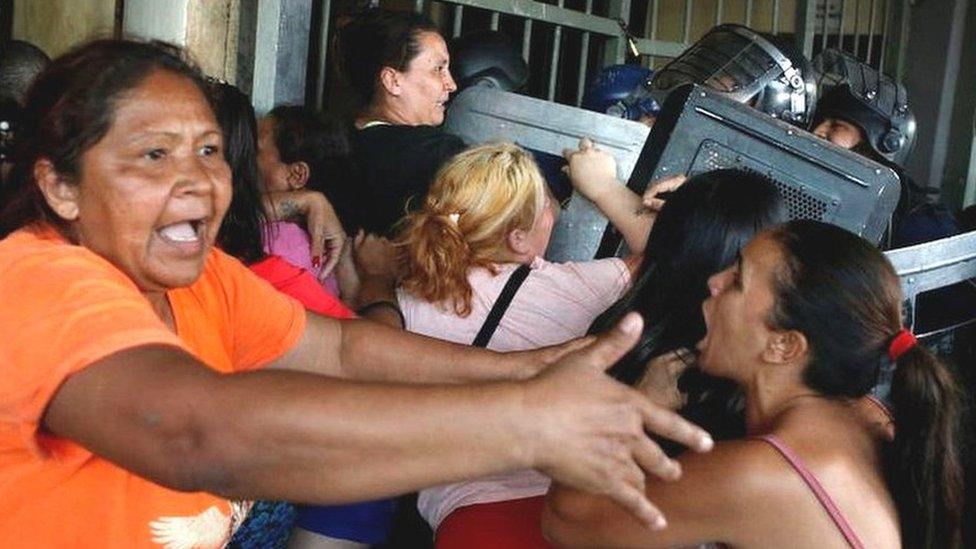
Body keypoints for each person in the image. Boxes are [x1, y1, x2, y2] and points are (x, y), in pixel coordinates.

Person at [0, 38, 713, 548]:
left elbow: (339, 346)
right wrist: (526, 421)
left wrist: (533, 366)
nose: (198, 180)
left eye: (210, 150)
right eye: (154, 154)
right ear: (60, 186)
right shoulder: (39, 280)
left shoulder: (204, 277)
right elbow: (195, 432)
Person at [544, 220, 964, 548]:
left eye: (738, 280)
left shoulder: (759, 475)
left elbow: (566, 520)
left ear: (783, 345)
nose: (715, 281)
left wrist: (637, 405)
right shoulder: (869, 418)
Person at [391, 141, 686, 548]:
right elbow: (673, 254)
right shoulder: (567, 288)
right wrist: (600, 185)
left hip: (462, 523)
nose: (554, 216)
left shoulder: (405, 296)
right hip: (551, 508)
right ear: (517, 238)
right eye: (548, 206)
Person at [338, 8, 466, 235]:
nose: (451, 84)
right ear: (392, 81)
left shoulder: (331, 144)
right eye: (438, 69)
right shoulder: (438, 153)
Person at [256, 105, 357, 298]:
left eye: (255, 150)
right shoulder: (334, 247)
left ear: (297, 174)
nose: (242, 155)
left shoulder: (273, 240)